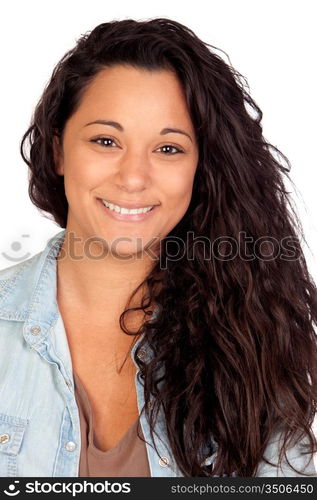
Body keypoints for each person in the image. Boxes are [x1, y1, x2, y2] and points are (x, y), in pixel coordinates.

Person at [0, 17, 316, 478]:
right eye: (106, 141)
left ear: (200, 168)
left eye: (168, 149)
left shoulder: (252, 338)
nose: (133, 178)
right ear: (58, 153)